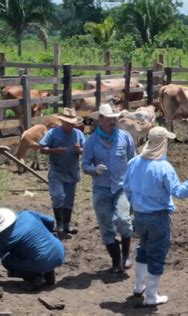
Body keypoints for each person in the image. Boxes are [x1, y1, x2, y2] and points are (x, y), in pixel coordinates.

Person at [123, 126, 188, 306]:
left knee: (143, 248)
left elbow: (127, 187)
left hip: (139, 216)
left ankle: (139, 287)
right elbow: (180, 192)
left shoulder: (134, 162)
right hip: (157, 217)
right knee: (156, 254)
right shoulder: (163, 167)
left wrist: (135, 206)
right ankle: (152, 297)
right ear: (163, 143)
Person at [82, 103, 136, 273]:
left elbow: (132, 161)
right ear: (101, 119)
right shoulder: (91, 142)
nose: (113, 122)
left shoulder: (125, 137)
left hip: (121, 188)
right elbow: (84, 164)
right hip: (101, 188)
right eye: (110, 119)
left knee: (124, 220)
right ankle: (116, 261)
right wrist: (93, 170)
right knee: (105, 226)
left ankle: (126, 255)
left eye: (115, 118)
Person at [0, 208, 65, 289]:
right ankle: (49, 274)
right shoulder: (26, 214)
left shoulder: (7, 238)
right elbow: (50, 221)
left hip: (41, 261)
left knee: (6, 260)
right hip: (59, 251)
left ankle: (35, 278)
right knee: (38, 249)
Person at [40, 108, 85, 236]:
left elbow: (86, 150)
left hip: (72, 171)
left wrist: (79, 150)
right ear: (62, 121)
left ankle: (66, 225)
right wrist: (55, 150)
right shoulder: (53, 133)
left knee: (69, 200)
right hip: (57, 170)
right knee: (58, 196)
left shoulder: (78, 134)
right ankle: (59, 224)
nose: (70, 126)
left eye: (72, 123)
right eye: (67, 123)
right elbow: (42, 148)